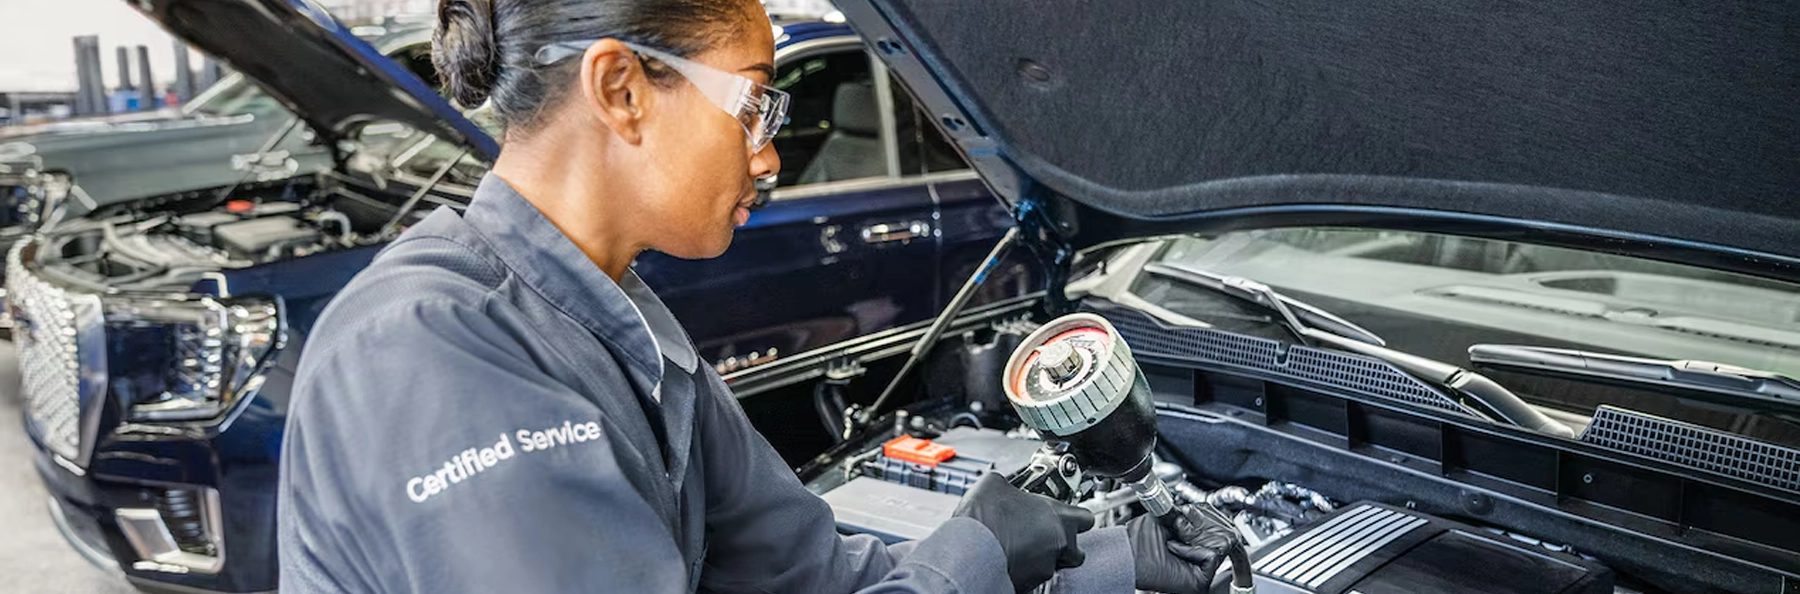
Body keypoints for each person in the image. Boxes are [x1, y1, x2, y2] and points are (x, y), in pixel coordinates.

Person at [276, 0, 1234, 592]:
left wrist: (1102, 562)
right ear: (622, 89)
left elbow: (814, 576)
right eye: (756, 104)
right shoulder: (431, 354)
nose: (770, 152)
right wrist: (971, 558)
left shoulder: (626, 326)